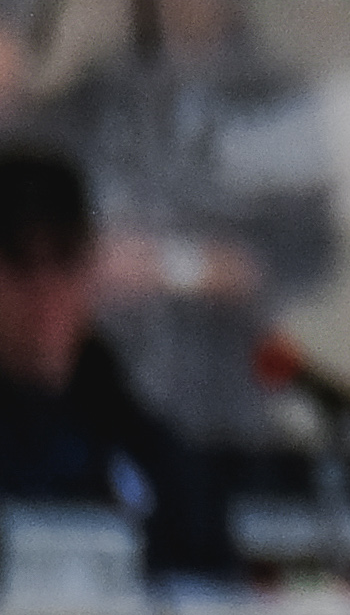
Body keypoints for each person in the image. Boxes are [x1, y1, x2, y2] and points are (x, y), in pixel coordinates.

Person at [52, 0, 343, 450]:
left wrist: (169, 266)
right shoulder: (97, 92)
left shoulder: (272, 97)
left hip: (222, 414)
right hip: (96, 413)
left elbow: (305, 256)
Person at [0, 144, 228, 582]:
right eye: (18, 259)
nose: (45, 287)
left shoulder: (152, 459)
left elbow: (214, 613)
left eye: (65, 257)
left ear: (90, 269)